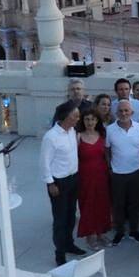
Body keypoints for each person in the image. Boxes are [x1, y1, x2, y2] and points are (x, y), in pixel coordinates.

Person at [42, 102, 83, 266]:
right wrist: (51, 184)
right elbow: (44, 163)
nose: (78, 118)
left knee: (71, 215)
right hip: (58, 182)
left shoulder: (72, 131)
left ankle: (69, 244)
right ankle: (59, 253)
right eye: (75, 116)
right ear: (66, 117)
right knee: (60, 219)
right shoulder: (51, 137)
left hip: (73, 178)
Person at [105, 101, 139, 245]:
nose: (123, 114)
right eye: (120, 111)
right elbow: (107, 151)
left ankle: (134, 231)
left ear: (132, 113)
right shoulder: (109, 130)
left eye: (126, 111)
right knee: (118, 204)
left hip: (136, 171)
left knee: (134, 204)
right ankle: (120, 232)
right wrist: (109, 168)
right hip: (117, 173)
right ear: (116, 113)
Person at [76, 108, 112, 251]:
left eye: (92, 119)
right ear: (82, 121)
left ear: (97, 121)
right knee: (87, 205)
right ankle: (90, 236)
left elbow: (107, 155)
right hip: (85, 176)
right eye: (87, 119)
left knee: (102, 205)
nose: (90, 122)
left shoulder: (103, 134)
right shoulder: (78, 136)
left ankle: (101, 234)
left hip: (102, 175)